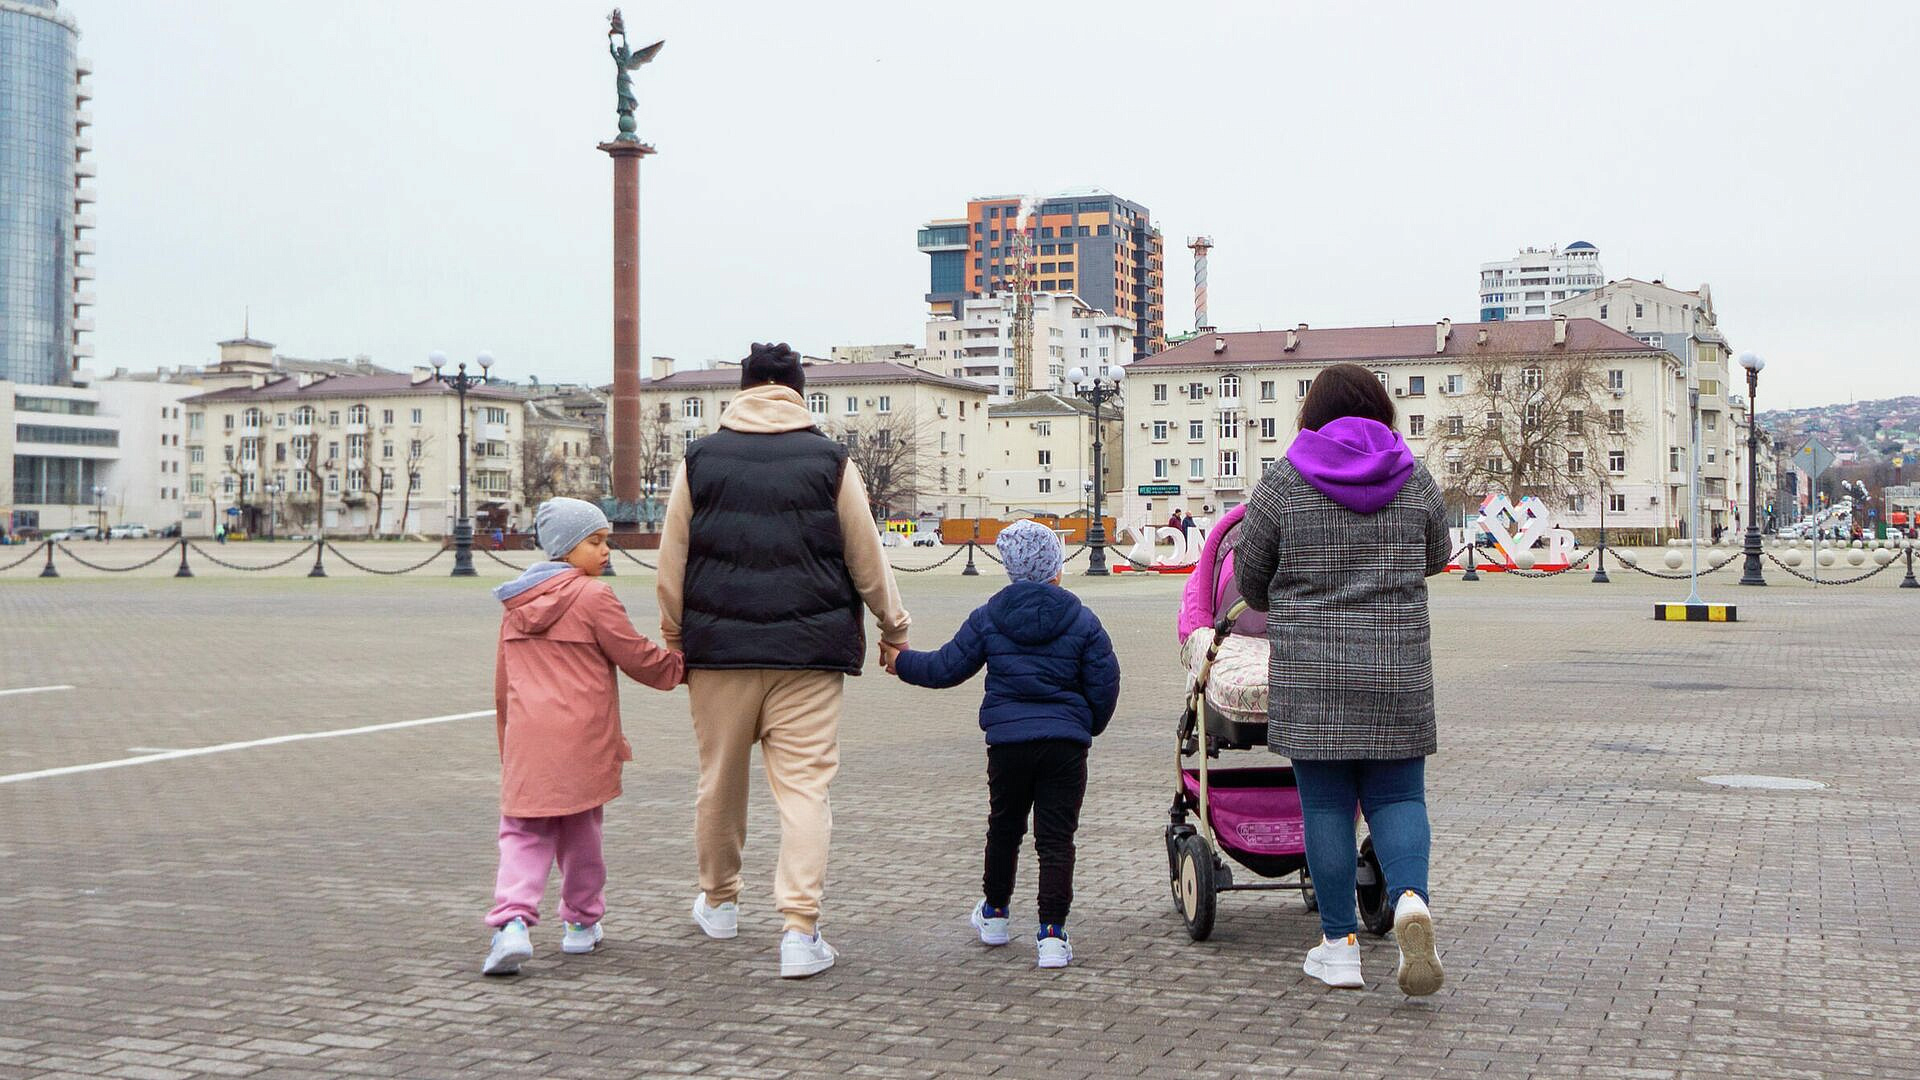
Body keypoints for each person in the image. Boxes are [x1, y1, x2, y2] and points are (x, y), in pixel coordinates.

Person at [657, 342, 911, 979]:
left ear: (741, 390)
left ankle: (719, 904)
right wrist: (893, 627)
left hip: (719, 655)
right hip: (809, 655)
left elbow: (673, 559)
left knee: (719, 781)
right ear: (797, 390)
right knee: (804, 790)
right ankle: (799, 931)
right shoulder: (830, 460)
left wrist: (674, 637)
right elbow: (866, 557)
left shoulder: (700, 459)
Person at [1234, 363, 1450, 997]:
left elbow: (1250, 576)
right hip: (1398, 667)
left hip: (1312, 671)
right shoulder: (1414, 478)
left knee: (1326, 806)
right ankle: (1410, 899)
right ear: (1381, 408)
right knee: (1399, 798)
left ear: (1312, 413)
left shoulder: (1284, 482)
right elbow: (1438, 554)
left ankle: (1339, 947)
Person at [886, 521, 1117, 968]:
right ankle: (1052, 934)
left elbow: (947, 666)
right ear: (1056, 569)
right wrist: (1087, 725)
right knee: (1056, 839)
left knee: (1004, 828)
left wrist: (902, 662)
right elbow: (1105, 682)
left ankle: (994, 914)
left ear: (1010, 569)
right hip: (1064, 746)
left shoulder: (990, 616)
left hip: (1008, 743)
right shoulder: (1083, 619)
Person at [482, 498, 685, 976]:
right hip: (582, 736)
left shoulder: (515, 605)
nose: (606, 550)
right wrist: (681, 665)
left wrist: (507, 745)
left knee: (523, 833)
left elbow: (502, 686)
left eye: (606, 540)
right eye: (594, 542)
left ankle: (511, 922)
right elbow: (635, 656)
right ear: (564, 548)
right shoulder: (594, 597)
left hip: (529, 738)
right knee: (581, 832)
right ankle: (580, 923)